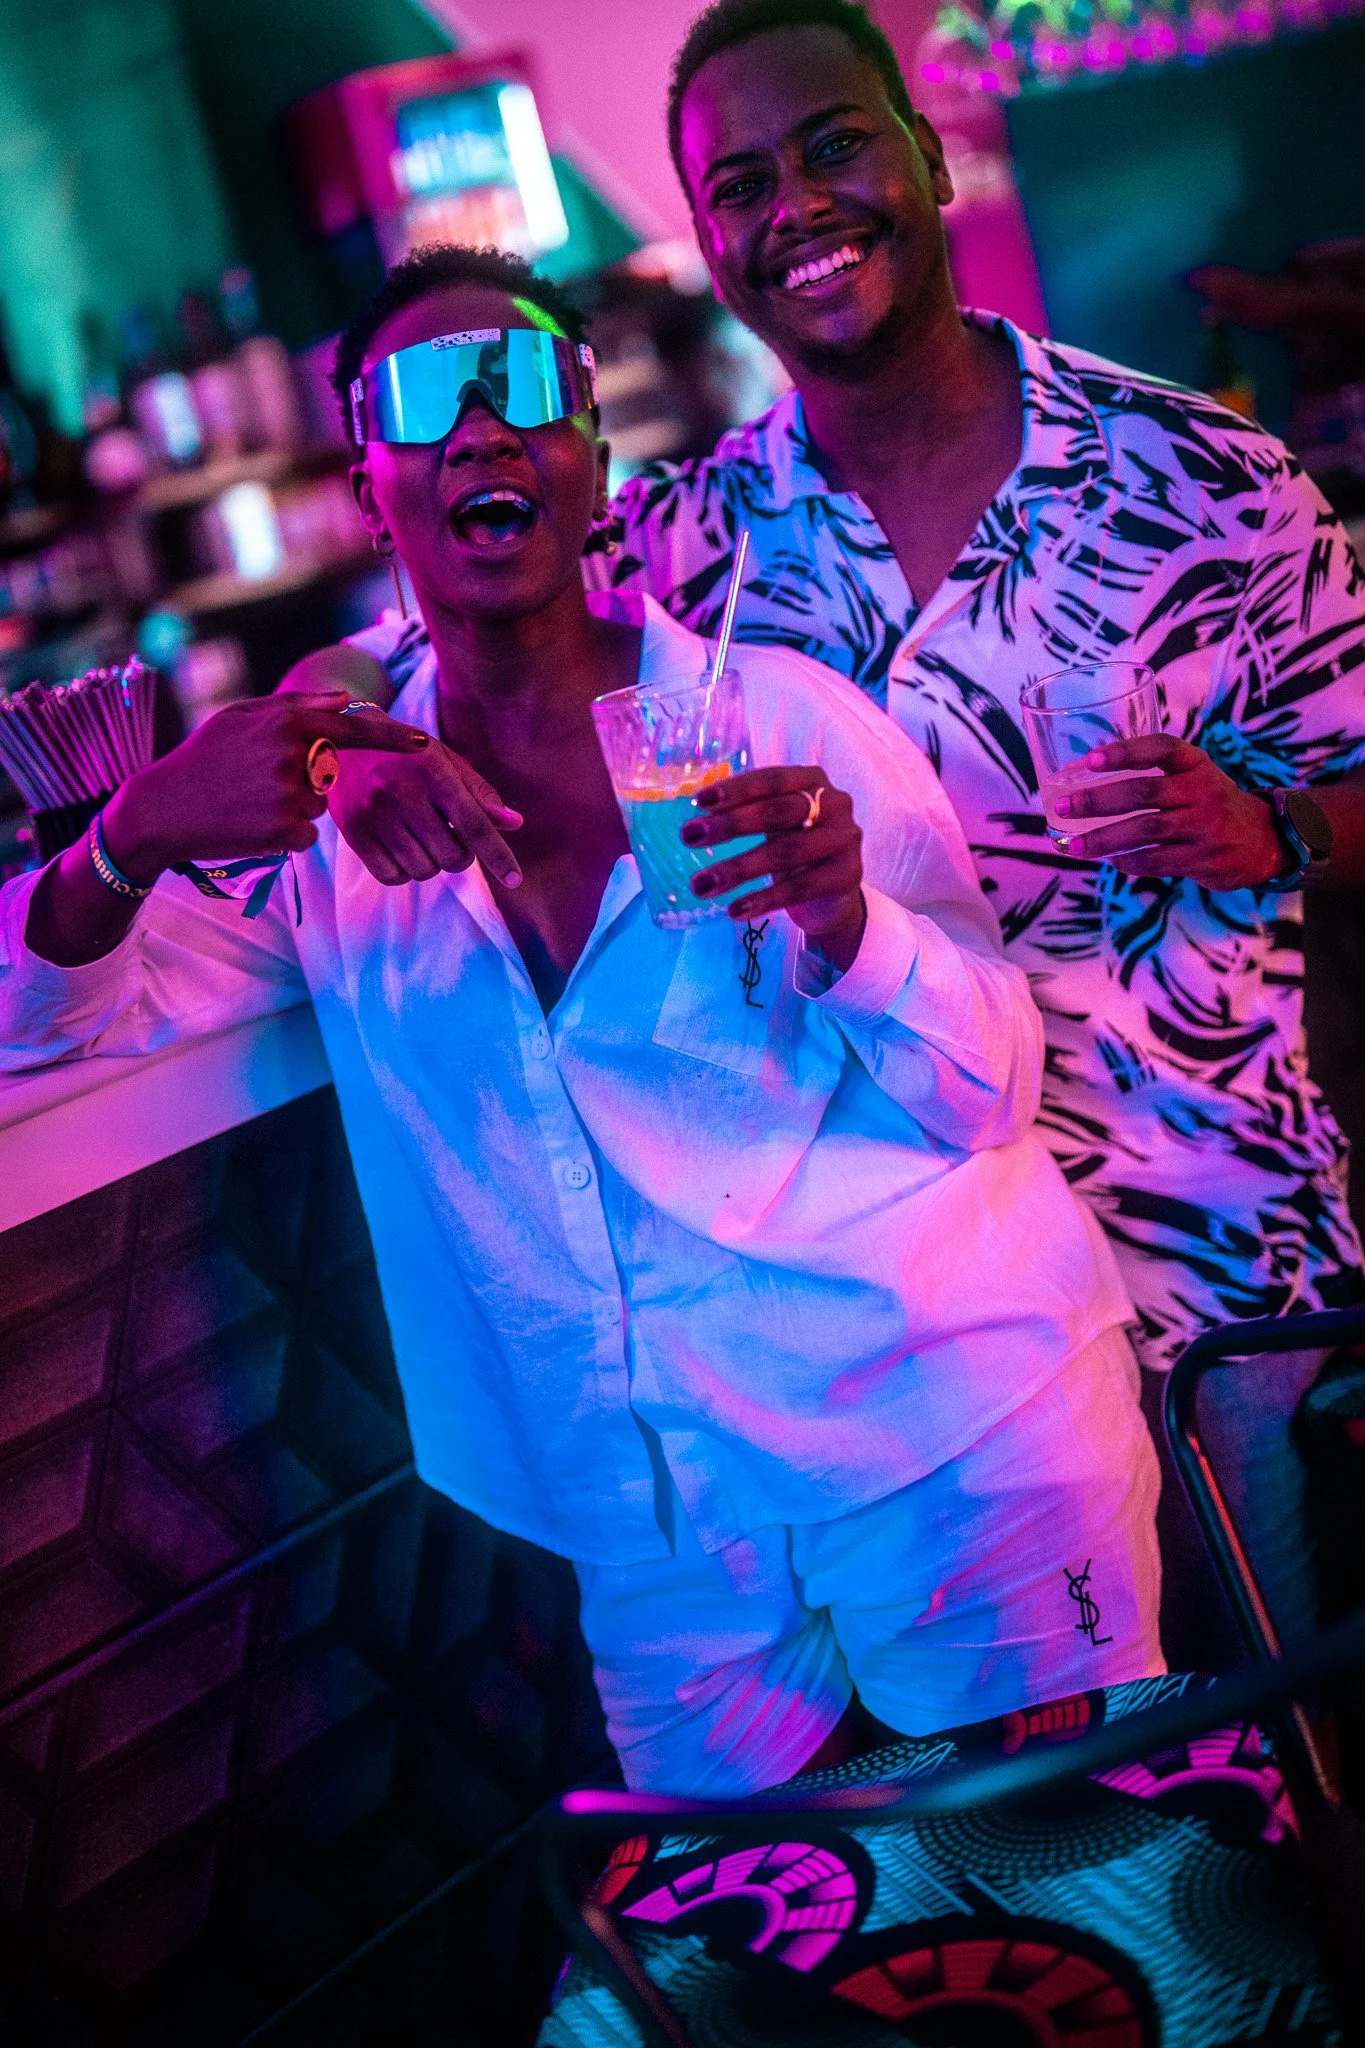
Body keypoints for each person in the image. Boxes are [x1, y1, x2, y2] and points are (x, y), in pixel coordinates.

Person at [0, 246, 1158, 1797]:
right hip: (651, 1523)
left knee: (1097, 1893)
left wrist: (849, 923)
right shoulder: (324, 821)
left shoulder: (782, 722)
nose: (483, 430)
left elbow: (988, 1086)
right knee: (750, 1961)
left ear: (594, 461)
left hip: (951, 1439)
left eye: (531, 389)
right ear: (371, 487)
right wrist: (132, 828)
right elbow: (45, 1027)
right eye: (427, 401)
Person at [331, 0, 1365, 1392]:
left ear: (929, 159)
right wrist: (348, 750)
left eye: (834, 149)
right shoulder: (692, 545)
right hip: (917, 1327)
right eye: (741, 187)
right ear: (710, 241)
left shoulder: (1203, 483)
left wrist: (1268, 828)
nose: (798, 208)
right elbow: (419, 643)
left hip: (1223, 1281)